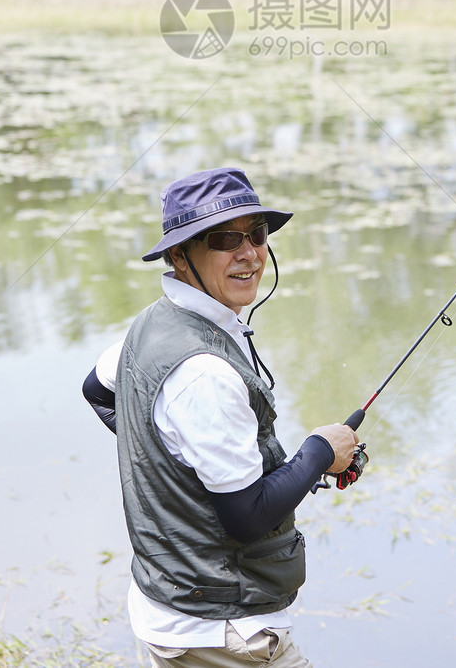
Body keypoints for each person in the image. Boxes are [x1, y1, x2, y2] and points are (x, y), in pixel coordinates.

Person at [82, 166, 359, 668]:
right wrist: (320, 451)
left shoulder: (154, 323)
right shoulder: (205, 374)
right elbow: (247, 517)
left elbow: (98, 387)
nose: (249, 253)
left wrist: (177, 466)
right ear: (178, 256)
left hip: (168, 612)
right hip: (221, 632)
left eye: (257, 233)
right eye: (225, 239)